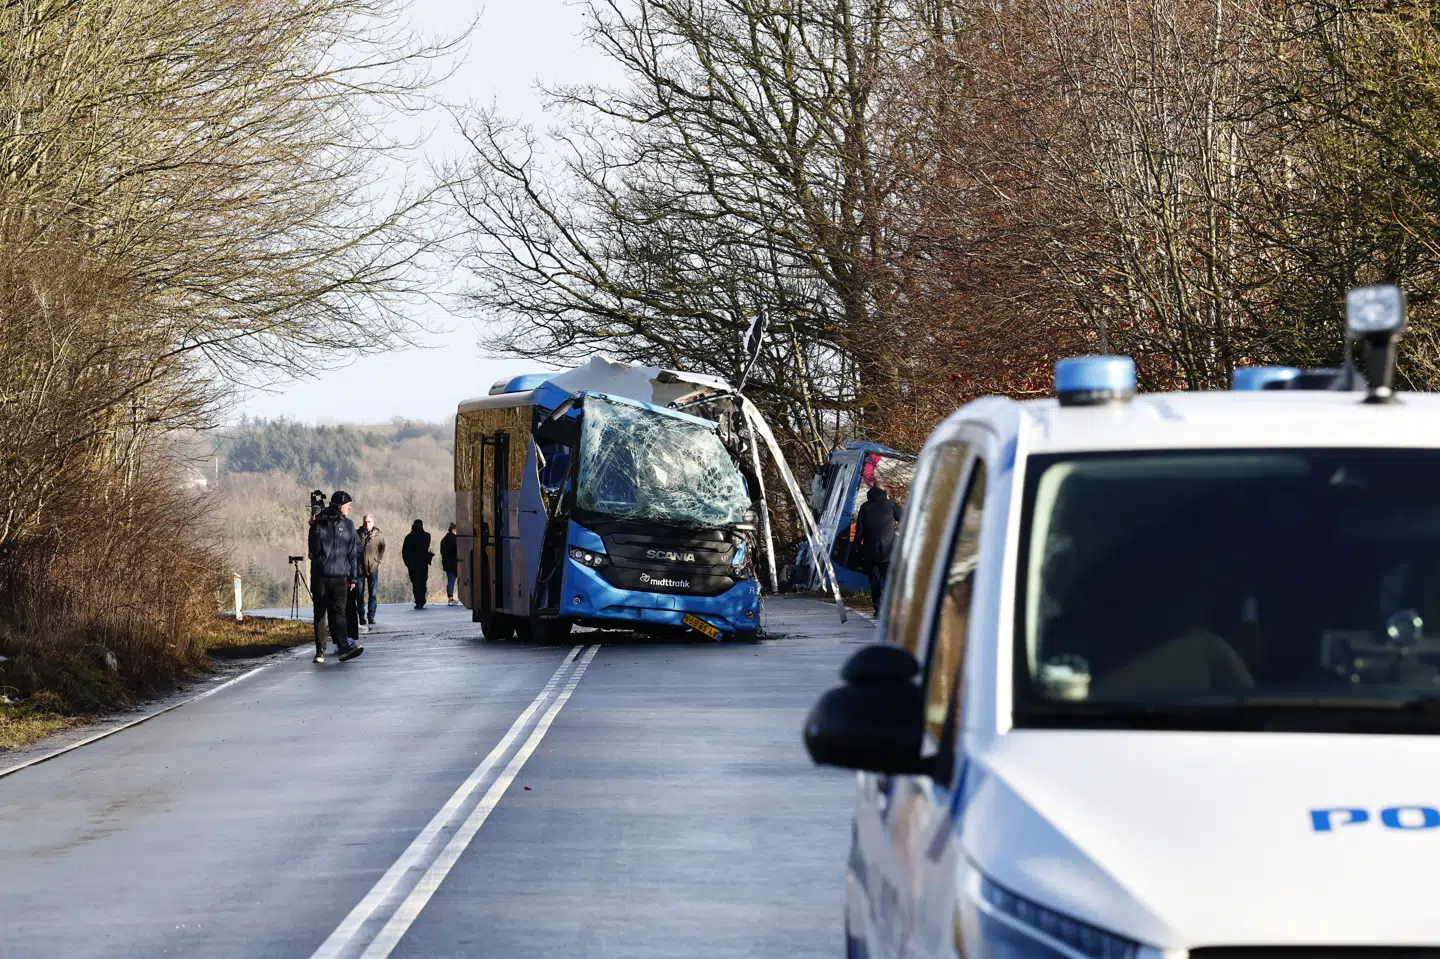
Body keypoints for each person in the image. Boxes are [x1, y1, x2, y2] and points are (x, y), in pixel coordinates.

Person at [308, 490, 365, 664]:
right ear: (341, 506)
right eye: (348, 505)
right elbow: (353, 553)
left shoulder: (327, 523)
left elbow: (313, 551)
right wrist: (353, 577)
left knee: (324, 612)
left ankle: (325, 650)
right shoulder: (345, 525)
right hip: (335, 576)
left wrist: (353, 578)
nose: (350, 508)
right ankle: (337, 648)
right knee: (334, 613)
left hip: (326, 575)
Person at [852, 484, 904, 613]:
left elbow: (859, 531)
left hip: (870, 550)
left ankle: (878, 608)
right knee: (889, 579)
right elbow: (903, 518)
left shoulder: (865, 507)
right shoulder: (891, 505)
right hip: (888, 550)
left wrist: (855, 549)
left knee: (874, 580)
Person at [356, 514, 386, 627]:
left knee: (372, 593)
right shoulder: (357, 534)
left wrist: (378, 561)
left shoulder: (378, 535)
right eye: (365, 521)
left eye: (368, 521)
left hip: (373, 568)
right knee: (359, 594)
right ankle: (362, 617)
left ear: (373, 522)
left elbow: (382, 548)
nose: (366, 523)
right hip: (359, 568)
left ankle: (371, 616)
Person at [401, 519, 433, 609]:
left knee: (415, 583)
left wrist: (408, 563)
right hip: (423, 564)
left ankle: (418, 600)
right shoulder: (427, 536)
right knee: (423, 582)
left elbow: (404, 552)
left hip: (413, 564)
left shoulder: (409, 537)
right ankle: (421, 600)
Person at [440, 522, 460, 606]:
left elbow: (442, 552)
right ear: (454, 530)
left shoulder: (444, 540)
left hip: (447, 563)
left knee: (450, 581)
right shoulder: (456, 539)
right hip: (455, 562)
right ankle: (454, 598)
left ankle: (450, 598)